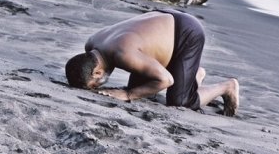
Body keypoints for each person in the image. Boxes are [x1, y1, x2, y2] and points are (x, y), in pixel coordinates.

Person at [65, 9, 239, 116]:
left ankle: (227, 86)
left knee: (180, 101)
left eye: (95, 85)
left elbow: (166, 80)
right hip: (163, 19)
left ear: (97, 72)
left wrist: (128, 95)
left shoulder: (123, 54)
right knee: (147, 86)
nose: (99, 86)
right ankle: (193, 76)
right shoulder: (92, 43)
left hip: (186, 32)